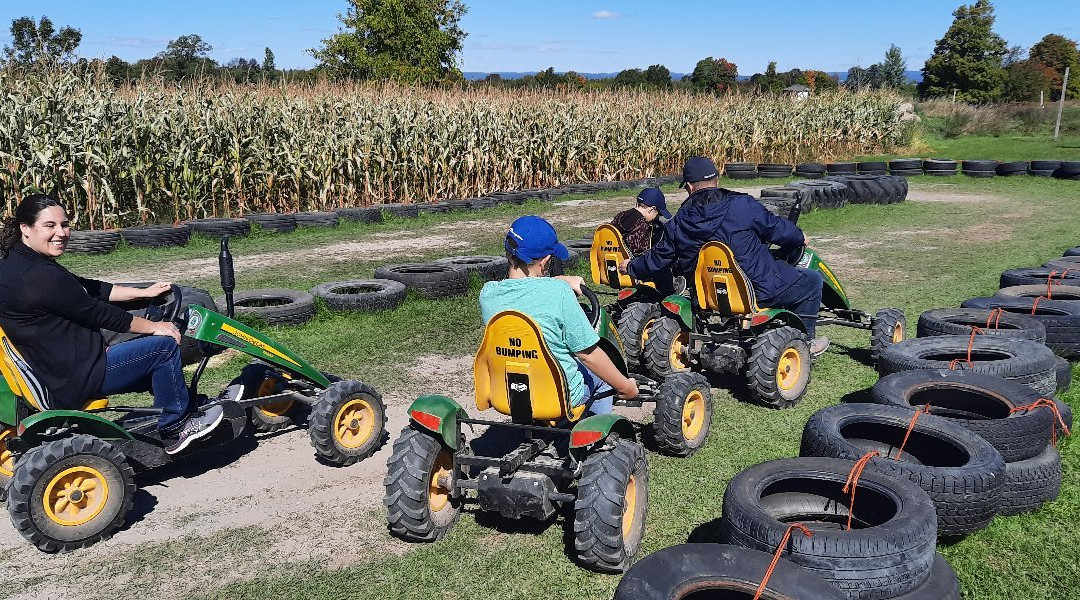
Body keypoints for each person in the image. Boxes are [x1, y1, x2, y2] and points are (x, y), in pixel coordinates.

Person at [0, 194, 225, 454]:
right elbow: (100, 314)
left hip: (52, 369)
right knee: (162, 348)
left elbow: (87, 288)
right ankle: (176, 427)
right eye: (50, 226)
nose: (61, 233)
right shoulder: (41, 276)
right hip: (75, 378)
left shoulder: (15, 262)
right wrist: (155, 326)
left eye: (65, 224)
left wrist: (142, 292)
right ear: (25, 228)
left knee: (146, 355)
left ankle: (184, 403)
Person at [619, 157, 829, 355]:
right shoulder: (743, 205)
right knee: (812, 281)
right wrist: (799, 236)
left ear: (690, 187)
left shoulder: (678, 221)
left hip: (707, 295)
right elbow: (776, 228)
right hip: (758, 290)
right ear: (716, 180)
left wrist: (631, 266)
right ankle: (805, 343)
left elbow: (658, 258)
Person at [480, 215, 638, 416]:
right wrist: (626, 387)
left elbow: (520, 292)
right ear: (545, 261)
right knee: (602, 380)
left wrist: (557, 282)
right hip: (559, 395)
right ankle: (595, 439)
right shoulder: (558, 293)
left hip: (507, 392)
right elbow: (588, 356)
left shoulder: (488, 293)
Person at [611, 187, 670, 256]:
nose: (656, 218)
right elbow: (639, 255)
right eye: (658, 214)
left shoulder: (620, 216)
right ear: (651, 210)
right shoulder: (642, 225)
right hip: (626, 263)